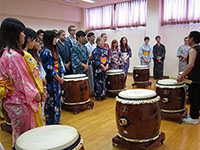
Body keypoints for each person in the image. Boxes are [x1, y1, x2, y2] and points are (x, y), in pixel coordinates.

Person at [0, 18, 41, 147]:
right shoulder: (13, 56)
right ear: (14, 34)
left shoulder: (7, 53)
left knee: (19, 134)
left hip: (12, 101)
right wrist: (36, 94)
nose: (24, 35)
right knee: (26, 138)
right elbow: (22, 81)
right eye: (22, 32)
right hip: (20, 102)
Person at [40, 30, 66, 125]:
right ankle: (51, 122)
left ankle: (56, 120)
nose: (56, 40)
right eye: (54, 38)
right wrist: (58, 78)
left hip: (57, 80)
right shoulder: (46, 52)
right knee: (50, 102)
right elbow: (49, 69)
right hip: (51, 81)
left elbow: (59, 64)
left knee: (57, 101)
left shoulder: (54, 50)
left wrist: (61, 76)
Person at [22, 27, 46, 127]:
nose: (38, 43)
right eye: (36, 40)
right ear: (28, 39)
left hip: (32, 91)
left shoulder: (28, 54)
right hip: (32, 92)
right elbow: (33, 77)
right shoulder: (25, 55)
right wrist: (40, 91)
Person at [177, 31, 200, 125]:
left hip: (194, 79)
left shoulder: (192, 50)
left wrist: (182, 76)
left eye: (189, 37)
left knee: (193, 97)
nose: (188, 39)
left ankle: (194, 118)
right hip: (199, 78)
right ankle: (195, 115)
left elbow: (190, 65)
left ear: (192, 39)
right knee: (198, 97)